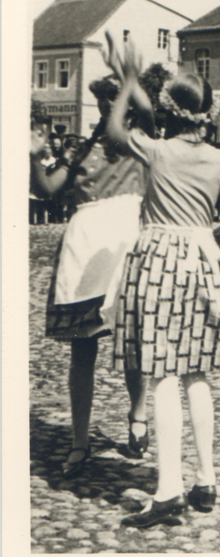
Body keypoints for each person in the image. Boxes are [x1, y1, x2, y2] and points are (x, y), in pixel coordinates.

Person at [102, 36, 220, 528]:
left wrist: (126, 83)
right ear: (206, 114)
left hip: (162, 255)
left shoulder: (159, 151)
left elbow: (113, 132)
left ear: (170, 110)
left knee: (163, 373)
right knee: (197, 374)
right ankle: (206, 481)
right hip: (205, 256)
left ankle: (168, 491)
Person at [29, 77, 151, 479]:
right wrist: (32, 157)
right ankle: (79, 440)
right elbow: (48, 190)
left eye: (115, 99)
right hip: (84, 251)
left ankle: (138, 414)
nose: (108, 106)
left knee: (131, 341)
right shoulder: (79, 147)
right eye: (102, 99)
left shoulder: (139, 140)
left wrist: (131, 75)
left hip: (125, 244)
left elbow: (148, 109)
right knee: (82, 350)